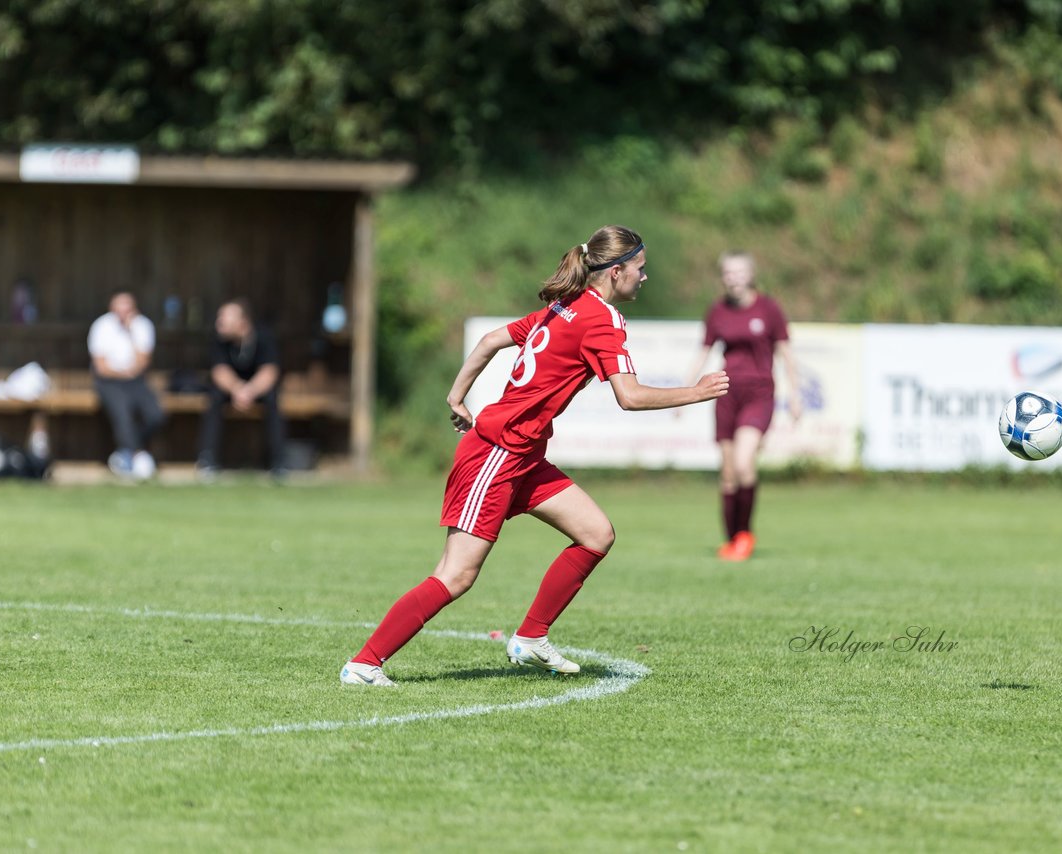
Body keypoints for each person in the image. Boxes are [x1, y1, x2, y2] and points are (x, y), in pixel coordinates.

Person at [340, 225, 730, 687]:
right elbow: (629, 396)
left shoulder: (563, 308)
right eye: (640, 270)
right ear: (617, 270)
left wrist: (457, 397)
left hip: (521, 454)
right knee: (457, 574)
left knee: (595, 534)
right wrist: (697, 393)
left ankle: (530, 639)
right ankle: (365, 664)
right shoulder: (600, 319)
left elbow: (489, 341)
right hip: (498, 453)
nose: (645, 278)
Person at [687, 251, 801, 562]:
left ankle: (744, 535)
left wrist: (796, 394)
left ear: (750, 275)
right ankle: (732, 540)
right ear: (722, 276)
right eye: (728, 272)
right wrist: (686, 391)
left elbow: (786, 352)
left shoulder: (768, 309)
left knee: (743, 462)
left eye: (739, 272)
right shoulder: (717, 311)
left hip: (759, 394)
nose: (733, 278)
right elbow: (703, 351)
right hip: (725, 394)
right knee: (727, 474)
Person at [197, 298, 285, 478]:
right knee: (214, 398)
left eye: (224, 318)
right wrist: (238, 389)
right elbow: (219, 371)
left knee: (273, 400)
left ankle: (278, 462)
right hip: (230, 387)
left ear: (242, 322)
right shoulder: (218, 338)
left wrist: (250, 390)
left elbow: (269, 371)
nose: (219, 322)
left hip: (257, 387)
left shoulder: (263, 336)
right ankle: (207, 460)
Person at [87, 291, 165, 479]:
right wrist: (122, 372)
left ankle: (127, 453)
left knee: (157, 415)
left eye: (127, 307)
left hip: (136, 380)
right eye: (119, 307)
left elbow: (143, 360)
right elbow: (101, 366)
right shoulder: (102, 326)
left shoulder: (142, 325)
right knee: (123, 413)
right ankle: (136, 457)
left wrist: (131, 333)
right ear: (112, 308)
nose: (123, 312)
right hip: (109, 381)